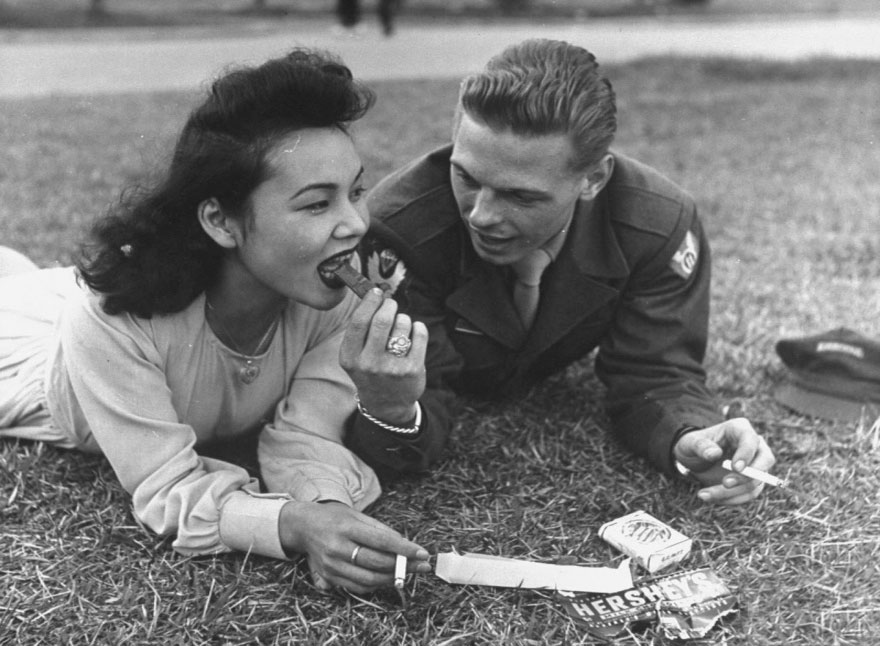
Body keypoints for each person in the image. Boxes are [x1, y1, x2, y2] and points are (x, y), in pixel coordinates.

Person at [0, 48, 431, 593]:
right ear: (220, 220)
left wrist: (328, 510)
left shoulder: (328, 296)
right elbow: (166, 488)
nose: (353, 224)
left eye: (356, 193)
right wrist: (291, 525)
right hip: (37, 355)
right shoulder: (116, 321)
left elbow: (307, 434)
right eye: (317, 205)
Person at [348, 39, 776, 505]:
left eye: (521, 196)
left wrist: (690, 436)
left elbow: (655, 369)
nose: (480, 216)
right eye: (467, 177)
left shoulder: (657, 225)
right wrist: (392, 411)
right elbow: (418, 390)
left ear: (593, 179)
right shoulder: (395, 232)